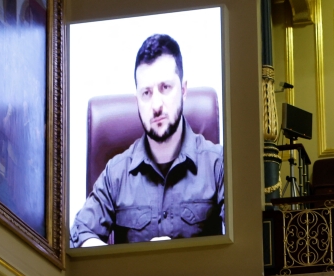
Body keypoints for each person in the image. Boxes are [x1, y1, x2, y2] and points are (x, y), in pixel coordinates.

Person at [71, 35, 224, 247]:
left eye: (165, 88)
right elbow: (80, 233)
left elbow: (244, 236)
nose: (156, 105)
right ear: (137, 100)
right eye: (146, 93)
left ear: (183, 90)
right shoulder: (116, 174)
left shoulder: (218, 165)